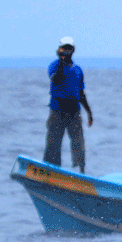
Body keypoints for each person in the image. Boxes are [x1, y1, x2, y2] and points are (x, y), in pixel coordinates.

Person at [43, 36, 93, 173]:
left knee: (78, 142)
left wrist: (89, 112)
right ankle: (51, 170)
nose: (66, 51)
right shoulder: (54, 65)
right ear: (59, 50)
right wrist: (61, 61)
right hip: (57, 110)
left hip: (74, 111)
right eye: (64, 48)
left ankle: (81, 171)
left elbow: (81, 93)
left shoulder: (78, 70)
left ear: (73, 50)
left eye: (69, 48)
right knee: (53, 142)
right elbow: (55, 79)